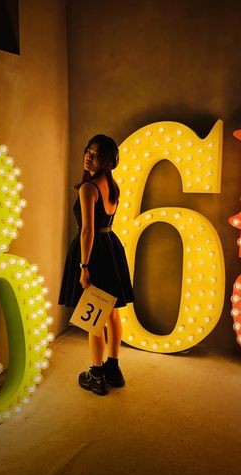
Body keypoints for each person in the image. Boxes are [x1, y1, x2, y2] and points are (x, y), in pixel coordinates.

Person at [58, 134, 135, 396]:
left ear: (108, 161)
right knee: (112, 313)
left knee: (96, 318)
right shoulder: (113, 186)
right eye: (88, 151)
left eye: (96, 154)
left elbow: (87, 231)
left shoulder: (88, 188)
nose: (89, 157)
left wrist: (84, 266)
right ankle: (114, 367)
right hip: (111, 247)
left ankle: (96, 373)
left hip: (95, 254)